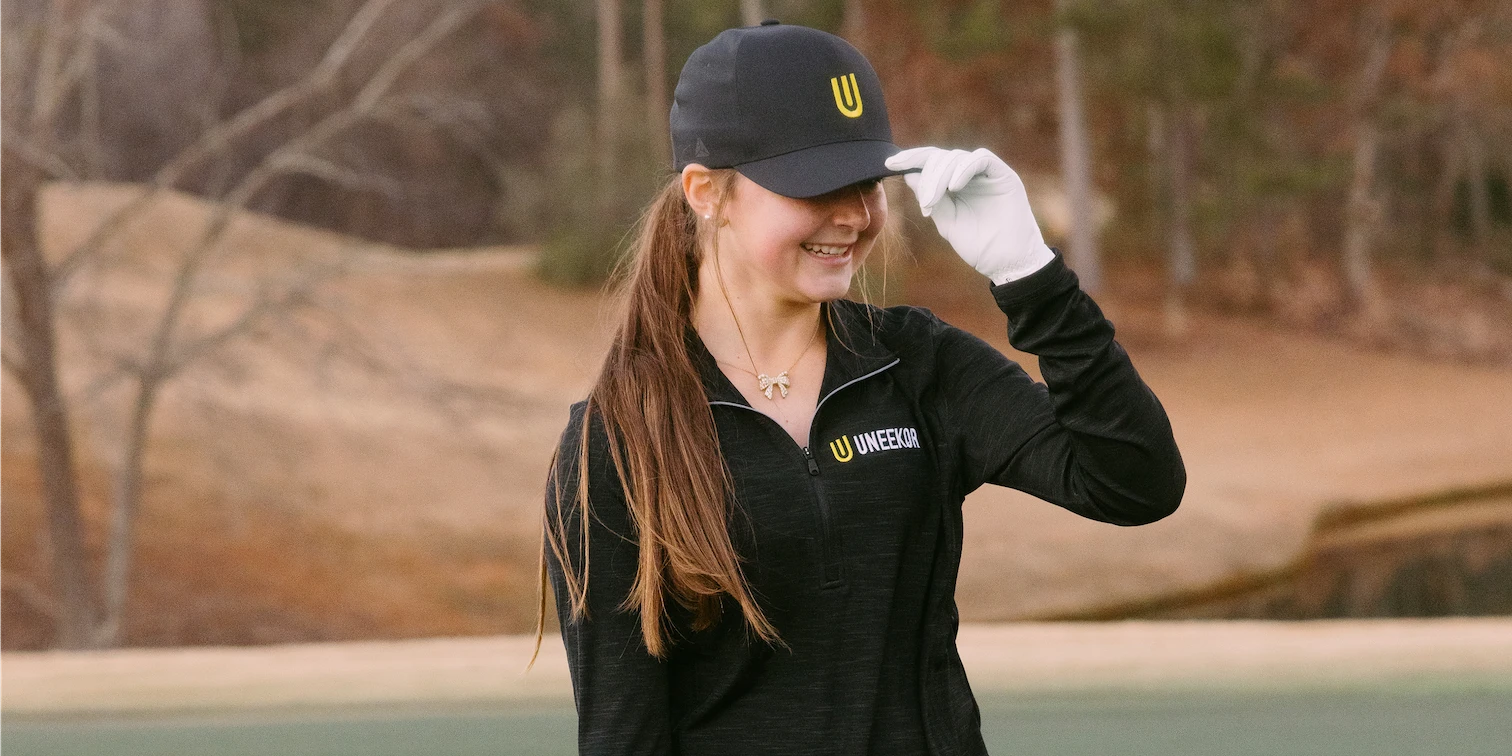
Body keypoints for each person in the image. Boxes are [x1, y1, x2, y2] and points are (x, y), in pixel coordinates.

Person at [531, 19, 1185, 756]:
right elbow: (625, 737)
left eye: (868, 182)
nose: (854, 215)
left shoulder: (915, 363)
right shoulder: (618, 441)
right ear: (707, 192)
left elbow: (1134, 483)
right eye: (816, 186)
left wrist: (1029, 274)